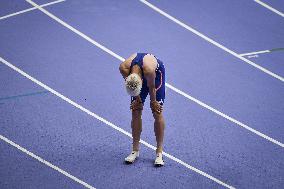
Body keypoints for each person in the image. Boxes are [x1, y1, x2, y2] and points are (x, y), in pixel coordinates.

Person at [119, 53, 166, 166]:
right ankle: (135, 150)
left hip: (155, 77)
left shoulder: (149, 70)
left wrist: (153, 102)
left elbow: (151, 87)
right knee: (135, 110)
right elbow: (133, 90)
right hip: (139, 78)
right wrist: (138, 100)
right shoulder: (124, 68)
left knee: (157, 112)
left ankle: (159, 152)